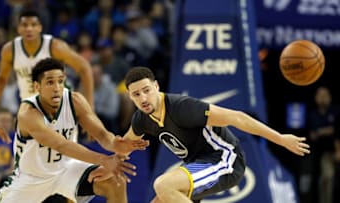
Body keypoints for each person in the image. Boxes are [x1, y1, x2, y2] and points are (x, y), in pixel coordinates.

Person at [119, 67, 310, 203]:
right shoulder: (141, 119)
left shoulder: (181, 107)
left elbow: (238, 118)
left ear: (157, 86)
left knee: (163, 184)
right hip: (196, 164)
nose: (143, 98)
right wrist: (109, 162)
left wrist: (281, 139)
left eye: (146, 90)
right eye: (136, 94)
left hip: (224, 160)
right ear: (129, 96)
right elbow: (124, 144)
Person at [0, 58, 149, 203]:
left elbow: (101, 134)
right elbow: (61, 145)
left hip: (65, 170)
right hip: (31, 178)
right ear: (37, 86)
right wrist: (104, 160)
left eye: (60, 81)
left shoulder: (75, 101)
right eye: (50, 83)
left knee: (116, 181)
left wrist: (116, 144)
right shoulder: (28, 113)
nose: (57, 88)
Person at [0, 8, 94, 146]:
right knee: (28, 161)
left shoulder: (55, 46)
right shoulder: (10, 50)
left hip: (57, 108)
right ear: (18, 28)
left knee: (64, 158)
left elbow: (85, 68)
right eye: (24, 25)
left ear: (40, 28)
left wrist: (90, 110)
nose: (29, 29)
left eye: (33, 25)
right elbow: (1, 79)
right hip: (30, 109)